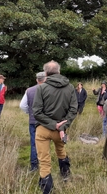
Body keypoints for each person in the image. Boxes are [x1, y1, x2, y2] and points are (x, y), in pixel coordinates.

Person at [32, 60, 77, 193]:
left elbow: (37, 111)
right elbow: (73, 109)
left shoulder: (41, 87)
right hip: (61, 130)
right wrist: (63, 125)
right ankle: (65, 176)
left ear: (46, 73)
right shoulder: (70, 87)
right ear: (59, 71)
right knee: (61, 152)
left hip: (43, 129)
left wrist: (52, 124)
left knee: (44, 160)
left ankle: (47, 189)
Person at [20, 72, 46, 172]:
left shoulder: (29, 90)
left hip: (33, 120)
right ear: (46, 79)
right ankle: (44, 164)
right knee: (45, 142)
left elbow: (22, 105)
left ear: (37, 80)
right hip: (46, 121)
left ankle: (34, 166)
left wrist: (29, 112)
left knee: (34, 143)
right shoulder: (50, 90)